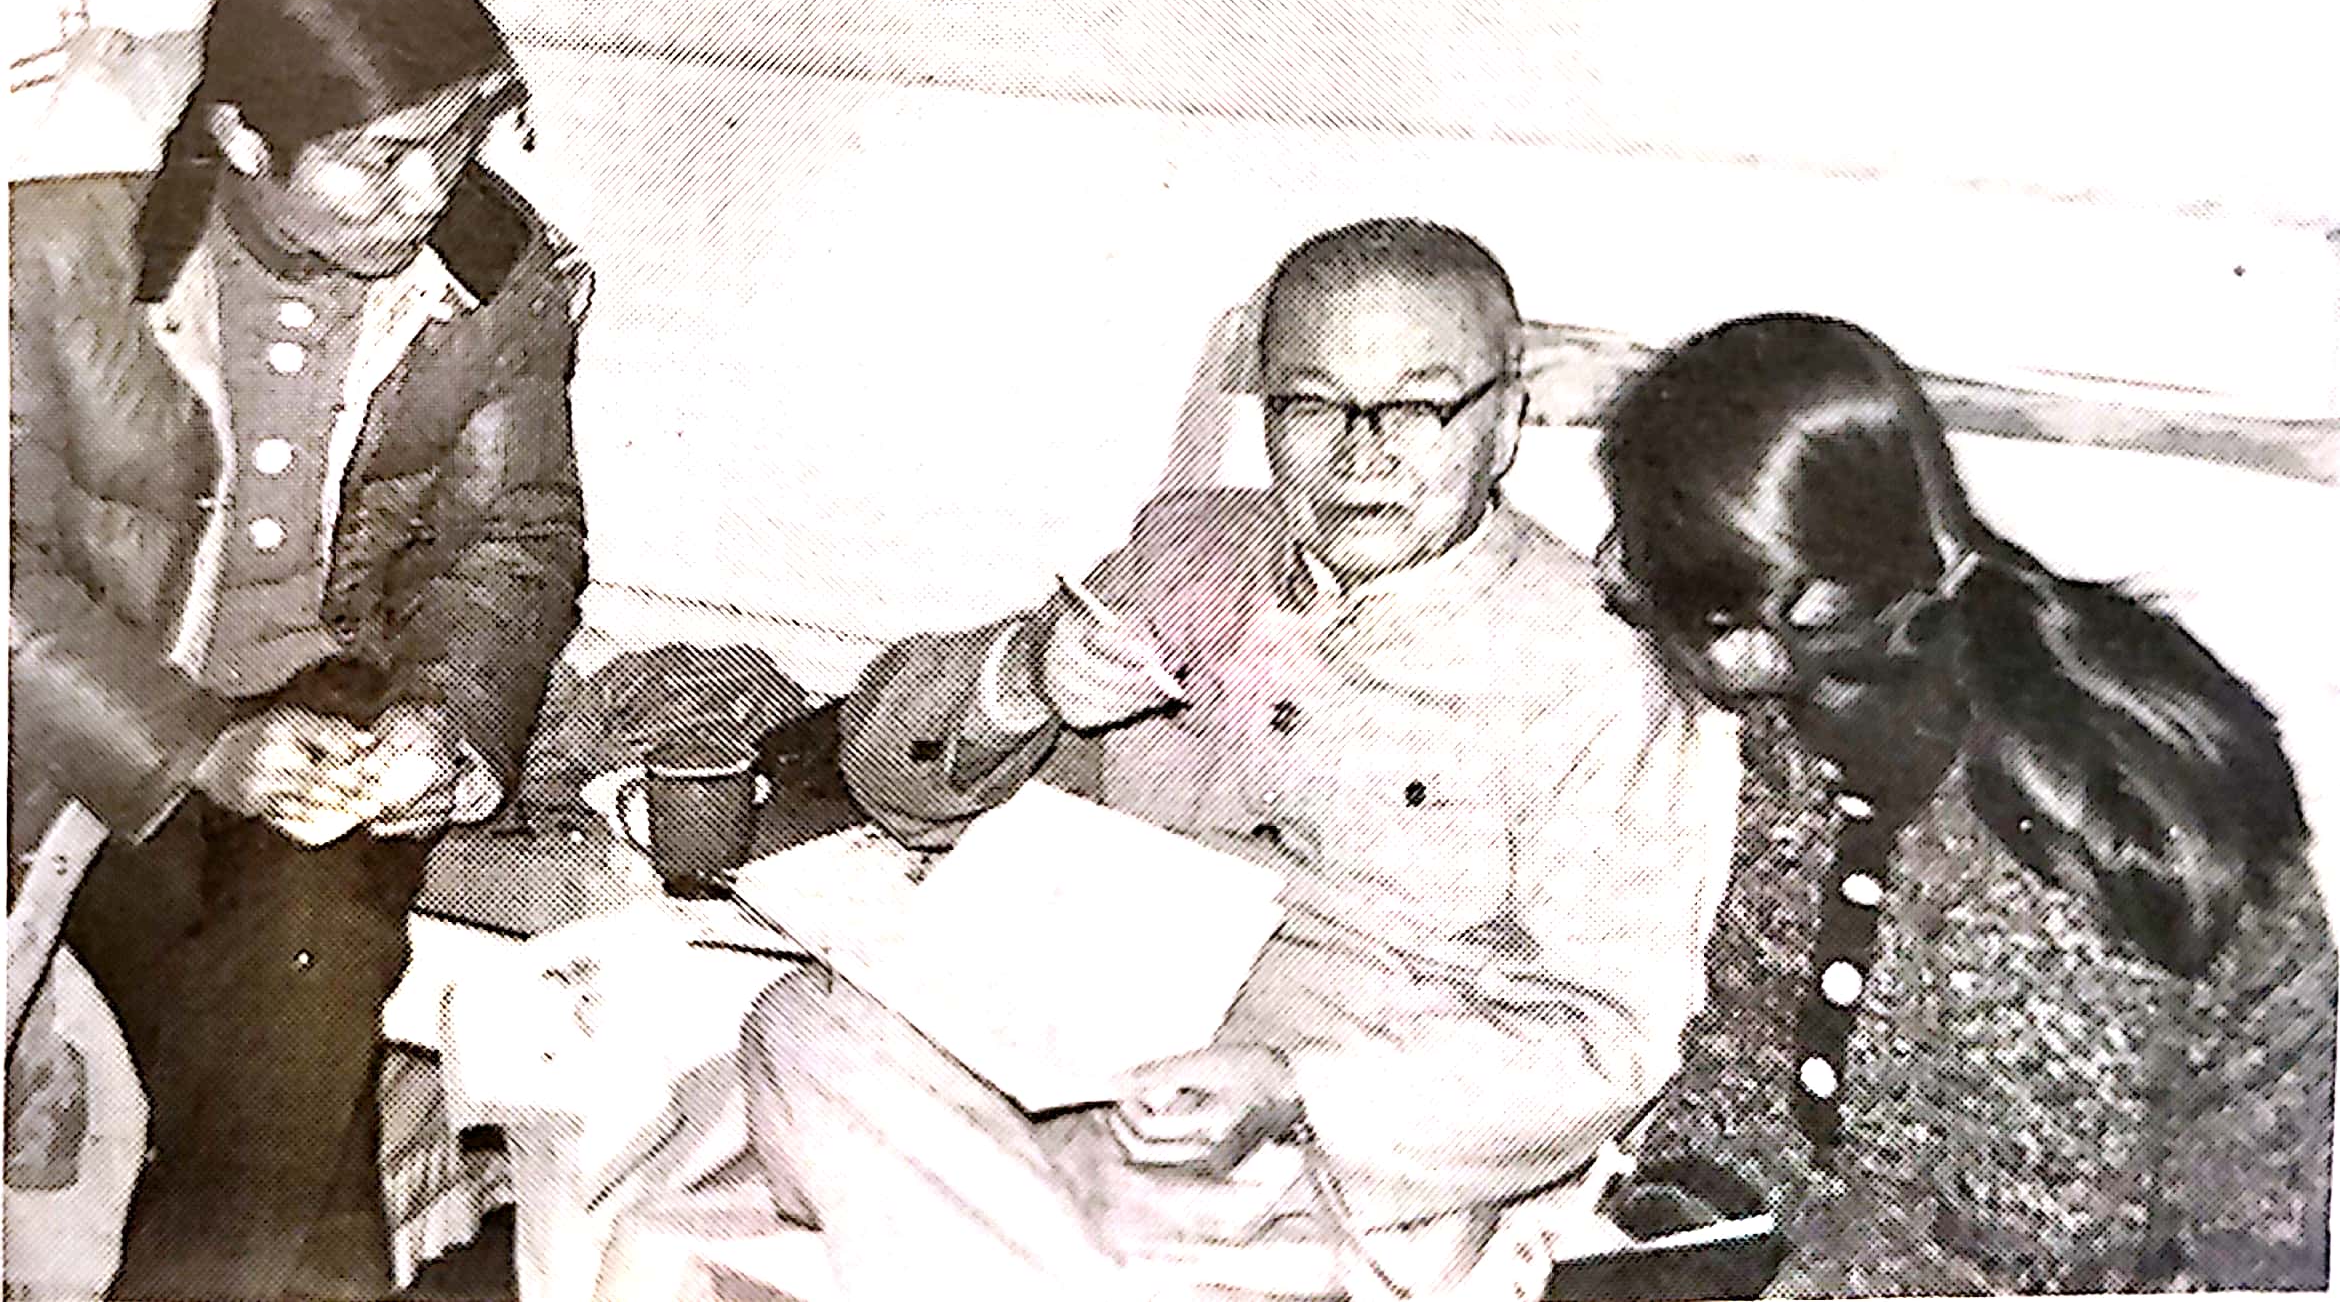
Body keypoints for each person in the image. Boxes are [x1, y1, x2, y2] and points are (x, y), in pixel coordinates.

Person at [735, 218, 1739, 1300]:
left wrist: (1297, 1088)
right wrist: (1023, 679)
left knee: (1100, 1201)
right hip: (1067, 1041)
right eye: (1312, 405)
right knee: (804, 1027)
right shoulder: (1186, 549)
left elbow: (1607, 1037)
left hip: (1323, 1140)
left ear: (1504, 423)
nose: (1361, 454)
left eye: (1417, 408)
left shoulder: (1601, 662)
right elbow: (886, 778)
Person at [9, 0, 592, 1300]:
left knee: (303, 953)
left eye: (461, 136)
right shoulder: (49, 257)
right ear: (241, 137)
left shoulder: (492, 275)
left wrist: (446, 720)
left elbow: (511, 537)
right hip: (83, 723)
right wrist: (195, 746)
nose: (432, 190)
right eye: (382, 156)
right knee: (283, 1035)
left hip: (329, 706)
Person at [1593, 312, 2334, 1295]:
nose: (1606, 567)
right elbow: (1755, 1030)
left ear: (1754, 642)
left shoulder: (2039, 856)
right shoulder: (1815, 712)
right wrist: (1662, 1221)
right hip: (1897, 1229)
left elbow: (2028, 1249)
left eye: (1636, 553)